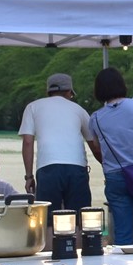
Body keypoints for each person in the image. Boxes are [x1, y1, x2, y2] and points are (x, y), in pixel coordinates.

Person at [88, 67, 133, 245]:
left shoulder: (96, 118)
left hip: (114, 175)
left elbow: (97, 147)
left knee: (122, 231)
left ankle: (122, 259)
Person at [19, 72, 97, 211]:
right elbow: (94, 145)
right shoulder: (79, 110)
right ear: (69, 91)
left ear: (48, 91)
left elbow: (28, 142)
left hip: (47, 168)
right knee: (79, 216)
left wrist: (29, 177)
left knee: (48, 216)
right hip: (77, 168)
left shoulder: (33, 107)